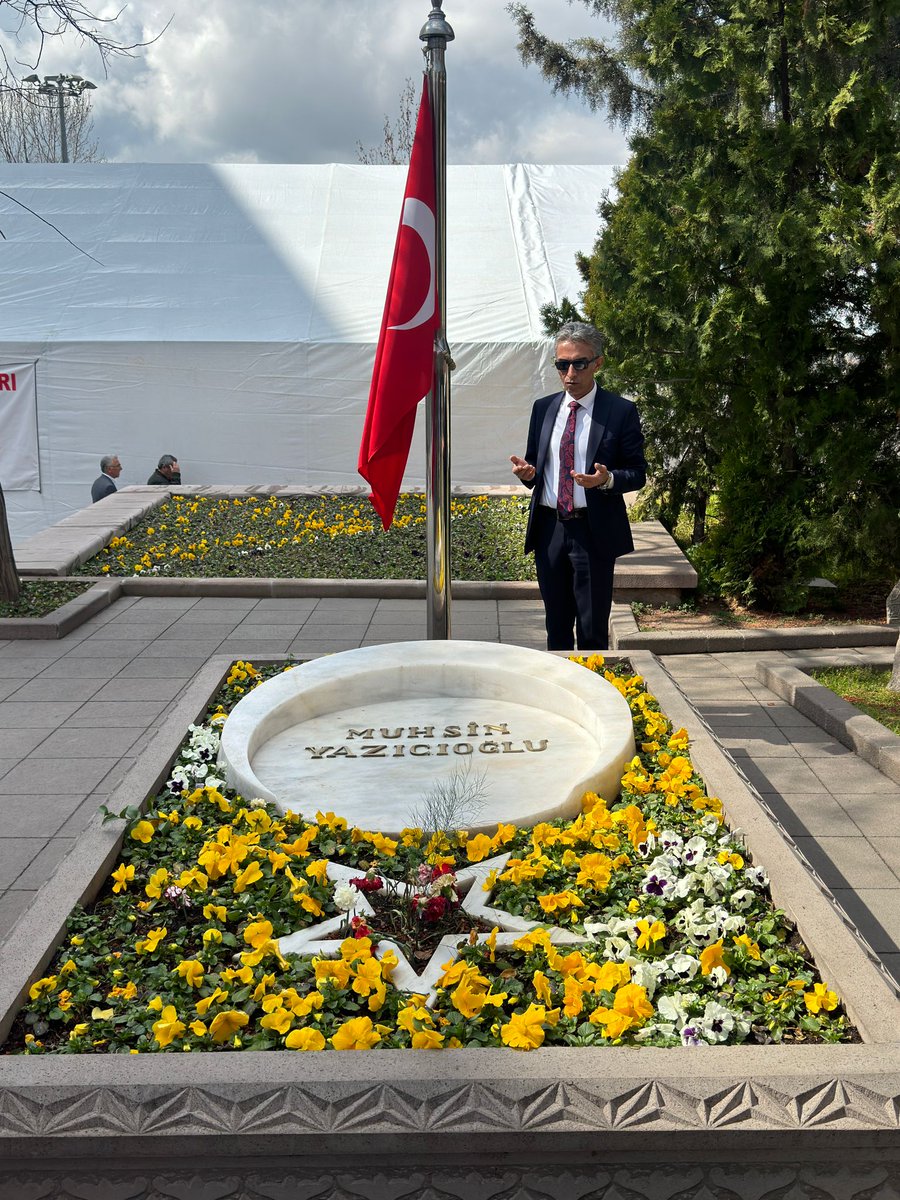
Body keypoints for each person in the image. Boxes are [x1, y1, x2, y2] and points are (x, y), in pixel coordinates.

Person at [510, 321, 646, 651]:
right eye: (562, 364)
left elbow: (637, 472)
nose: (570, 373)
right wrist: (529, 475)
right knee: (556, 624)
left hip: (594, 531)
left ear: (597, 363)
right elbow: (536, 466)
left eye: (579, 363)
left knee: (591, 627)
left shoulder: (620, 411)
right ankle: (560, 694)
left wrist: (608, 480)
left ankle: (595, 693)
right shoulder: (543, 409)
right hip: (549, 529)